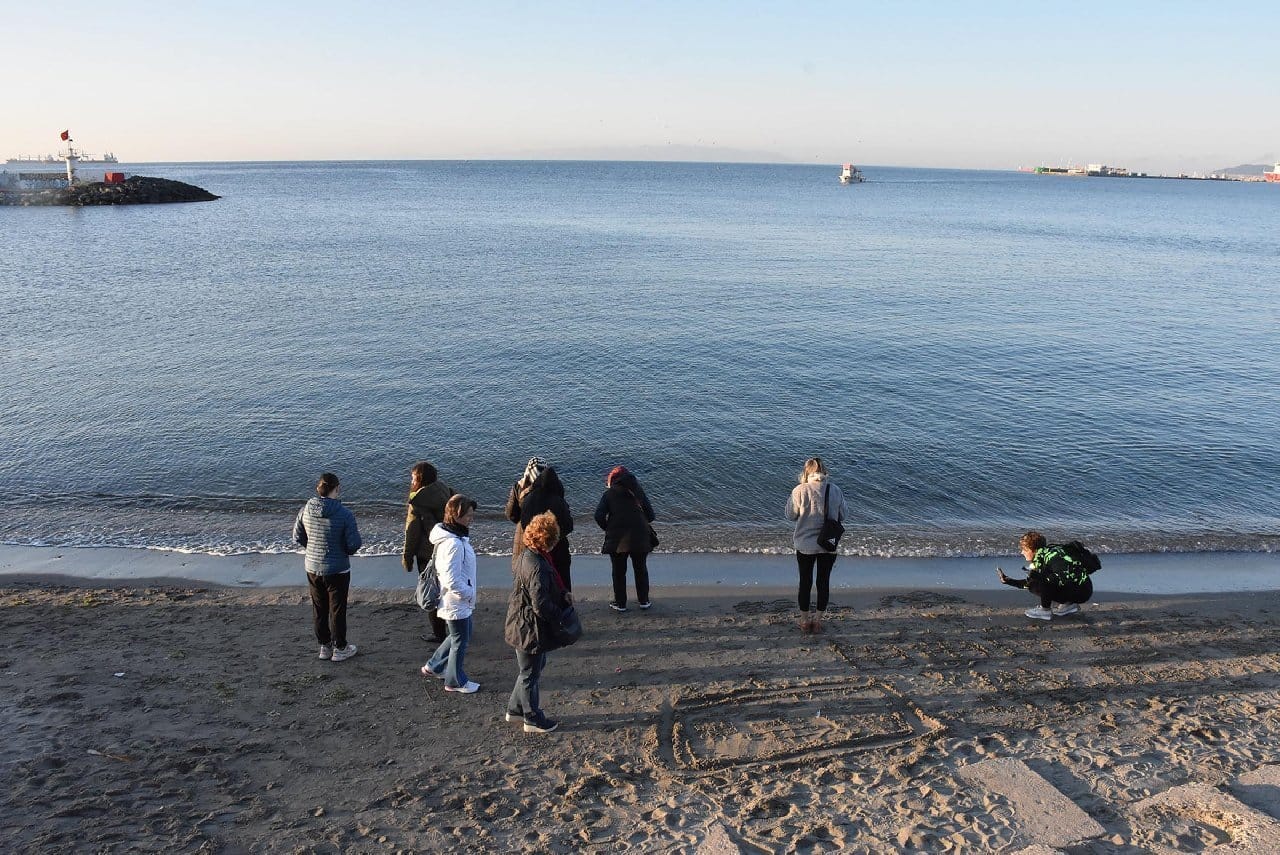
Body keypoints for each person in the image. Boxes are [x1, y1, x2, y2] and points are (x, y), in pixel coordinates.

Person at [504, 510, 573, 733]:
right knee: (530, 673)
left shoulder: (527, 555)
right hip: (528, 627)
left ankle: (515, 708)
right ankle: (531, 717)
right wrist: (559, 616)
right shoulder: (537, 565)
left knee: (532, 667)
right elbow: (540, 604)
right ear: (548, 540)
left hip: (521, 622)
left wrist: (561, 596)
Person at [293, 472, 363, 662]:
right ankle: (340, 647)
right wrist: (342, 550)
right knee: (337, 609)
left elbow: (297, 536)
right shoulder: (345, 514)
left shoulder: (306, 510)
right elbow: (354, 543)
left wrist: (313, 547)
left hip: (313, 566)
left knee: (319, 607)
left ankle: (324, 646)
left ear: (318, 489)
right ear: (337, 489)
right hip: (337, 568)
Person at [421, 494, 480, 693]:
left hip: (455, 600)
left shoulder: (454, 537)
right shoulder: (453, 544)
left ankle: (434, 665)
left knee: (459, 636)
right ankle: (455, 681)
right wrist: (469, 593)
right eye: (467, 515)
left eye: (472, 514)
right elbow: (451, 579)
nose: (471, 518)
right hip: (455, 601)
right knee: (460, 640)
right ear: (455, 516)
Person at [785, 457, 847, 635]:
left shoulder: (799, 490)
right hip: (828, 545)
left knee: (805, 582)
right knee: (823, 582)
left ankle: (804, 621)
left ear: (806, 472)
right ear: (824, 472)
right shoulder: (834, 490)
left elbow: (790, 515)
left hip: (805, 545)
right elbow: (844, 515)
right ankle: (818, 621)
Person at [402, 461, 455, 642]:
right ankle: (454, 626)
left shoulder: (417, 502)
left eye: (412, 477)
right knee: (448, 589)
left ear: (419, 479)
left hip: (427, 554)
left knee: (432, 593)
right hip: (448, 549)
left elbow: (412, 533)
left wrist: (407, 557)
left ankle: (438, 634)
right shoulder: (444, 491)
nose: (411, 480)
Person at [505, 456, 575, 589]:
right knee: (558, 582)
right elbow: (568, 525)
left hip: (527, 542)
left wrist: (517, 494)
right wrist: (554, 535)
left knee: (530, 582)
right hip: (556, 546)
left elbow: (512, 516)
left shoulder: (520, 489)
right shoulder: (556, 492)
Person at [594, 465, 656, 612]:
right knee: (640, 569)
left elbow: (598, 516)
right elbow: (651, 516)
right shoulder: (638, 491)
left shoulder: (609, 494)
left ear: (613, 479)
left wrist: (607, 527)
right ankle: (644, 601)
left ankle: (620, 603)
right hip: (640, 536)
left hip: (618, 539)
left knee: (619, 571)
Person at [997, 531, 1094, 620]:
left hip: (1081, 591)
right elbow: (1033, 582)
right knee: (1037, 580)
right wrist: (1009, 581)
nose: (1022, 552)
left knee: (1038, 581)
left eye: (1024, 549)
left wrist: (1037, 576)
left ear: (1033, 549)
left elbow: (1059, 579)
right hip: (1082, 589)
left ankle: (1045, 611)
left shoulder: (1053, 557)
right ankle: (1068, 605)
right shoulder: (1047, 554)